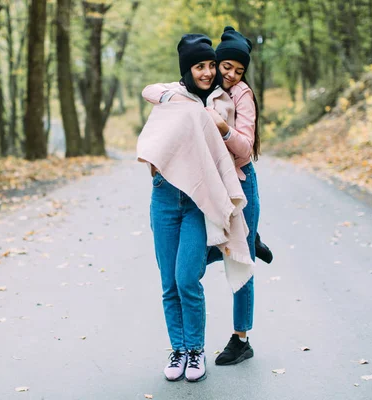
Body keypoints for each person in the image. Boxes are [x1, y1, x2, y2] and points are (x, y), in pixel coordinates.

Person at [141, 26, 272, 367]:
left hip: (239, 181)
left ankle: (241, 337)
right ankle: (244, 238)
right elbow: (153, 89)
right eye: (222, 65)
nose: (226, 74)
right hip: (201, 189)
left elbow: (243, 151)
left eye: (235, 70)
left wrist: (222, 126)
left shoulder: (236, 96)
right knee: (188, 268)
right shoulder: (195, 91)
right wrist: (167, 97)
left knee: (239, 256)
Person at [143, 33, 227, 383]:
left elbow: (228, 142)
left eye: (210, 65)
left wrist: (216, 123)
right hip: (164, 197)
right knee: (168, 283)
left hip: (196, 202)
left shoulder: (219, 101)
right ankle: (178, 349)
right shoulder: (173, 96)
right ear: (187, 69)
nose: (207, 72)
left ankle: (196, 350)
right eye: (199, 66)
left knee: (186, 278)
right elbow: (151, 90)